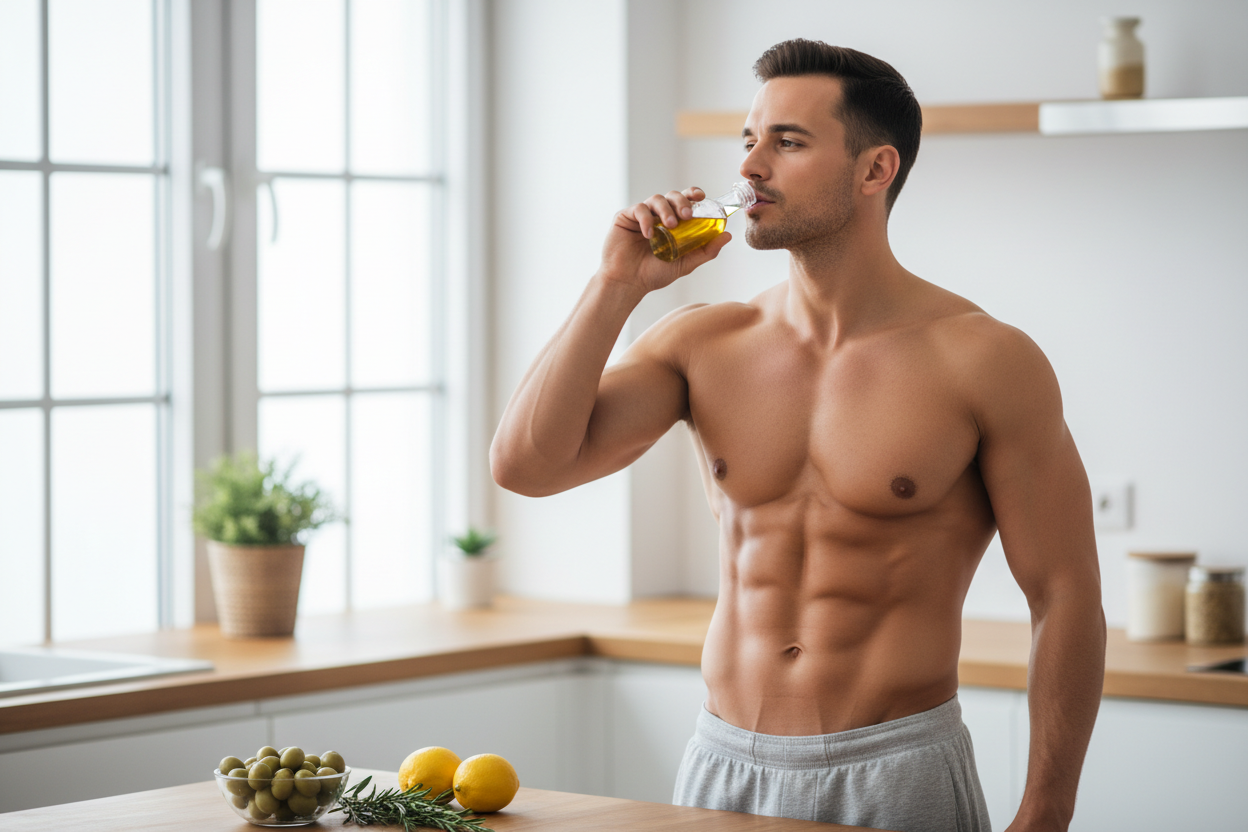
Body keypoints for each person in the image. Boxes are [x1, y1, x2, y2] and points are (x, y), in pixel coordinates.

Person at [490, 38, 1105, 832]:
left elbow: (1065, 593)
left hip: (898, 768)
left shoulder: (984, 359)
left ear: (875, 169)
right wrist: (615, 287)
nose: (749, 168)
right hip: (722, 766)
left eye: (787, 142)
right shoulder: (704, 344)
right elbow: (526, 467)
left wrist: (1047, 811)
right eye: (748, 140)